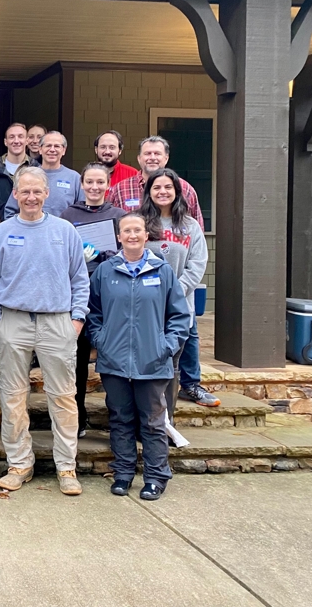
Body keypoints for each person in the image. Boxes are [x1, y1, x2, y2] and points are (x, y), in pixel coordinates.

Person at [0, 166, 89, 496]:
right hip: (13, 321)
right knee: (12, 397)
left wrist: (77, 321)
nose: (30, 196)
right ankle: (19, 464)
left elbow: (80, 280)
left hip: (57, 322)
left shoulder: (65, 231)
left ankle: (66, 466)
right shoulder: (2, 233)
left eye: (36, 191)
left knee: (63, 397)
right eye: (24, 191)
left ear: (46, 194)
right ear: (15, 194)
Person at [87, 213, 191, 501]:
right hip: (115, 362)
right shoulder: (105, 272)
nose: (132, 235)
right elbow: (93, 313)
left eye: (137, 230)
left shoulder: (163, 271)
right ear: (119, 236)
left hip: (153, 362)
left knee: (153, 422)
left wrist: (165, 346)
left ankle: (157, 477)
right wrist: (100, 340)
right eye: (126, 231)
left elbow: (180, 316)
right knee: (120, 419)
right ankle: (122, 473)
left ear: (147, 235)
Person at [140, 168, 217, 408]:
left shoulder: (190, 225)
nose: (162, 192)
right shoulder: (139, 221)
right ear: (149, 192)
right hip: (147, 301)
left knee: (188, 340)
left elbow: (197, 263)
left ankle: (190, 386)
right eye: (157, 187)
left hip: (182, 300)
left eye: (168, 187)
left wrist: (174, 293)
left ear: (177, 191)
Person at [59, 162, 126, 436]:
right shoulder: (68, 214)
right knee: (76, 361)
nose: (95, 187)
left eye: (100, 182)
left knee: (112, 360)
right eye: (90, 182)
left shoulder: (119, 215)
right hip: (76, 297)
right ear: (82, 184)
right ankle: (78, 416)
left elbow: (126, 252)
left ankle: (119, 419)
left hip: (109, 296)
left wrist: (103, 255)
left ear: (107, 184)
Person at [106, 136, 205, 229]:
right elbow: (109, 226)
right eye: (147, 153)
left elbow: (197, 230)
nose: (152, 158)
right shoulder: (119, 189)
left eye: (157, 153)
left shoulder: (185, 189)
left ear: (166, 158)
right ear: (139, 159)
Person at [3, 131, 82, 219]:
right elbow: (10, 212)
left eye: (57, 146)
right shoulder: (26, 176)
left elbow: (82, 212)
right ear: (40, 149)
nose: (52, 149)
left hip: (62, 232)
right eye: (48, 146)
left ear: (64, 150)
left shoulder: (74, 178)